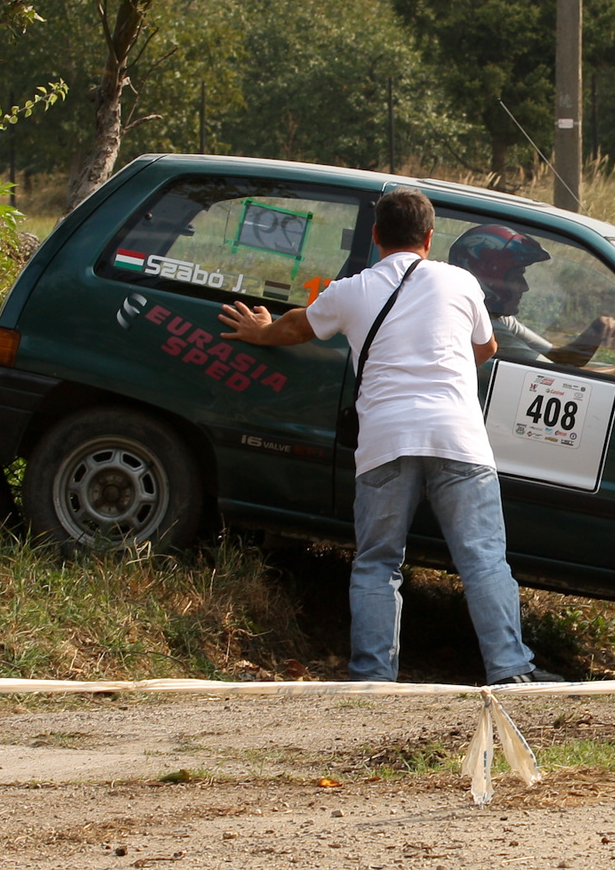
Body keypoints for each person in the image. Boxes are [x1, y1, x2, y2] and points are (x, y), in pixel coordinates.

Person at [218, 188, 562, 685]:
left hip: (384, 443)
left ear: (376, 236)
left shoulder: (351, 290)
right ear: (429, 236)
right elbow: (484, 348)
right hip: (458, 440)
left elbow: (297, 327)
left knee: (378, 563)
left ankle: (373, 678)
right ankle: (511, 670)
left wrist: (259, 331)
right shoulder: (460, 282)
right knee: (484, 560)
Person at [448, 223, 615, 370]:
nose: (524, 287)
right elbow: (557, 377)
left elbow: (559, 358)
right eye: (517, 275)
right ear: (490, 275)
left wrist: (596, 332)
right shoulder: (486, 326)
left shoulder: (498, 318)